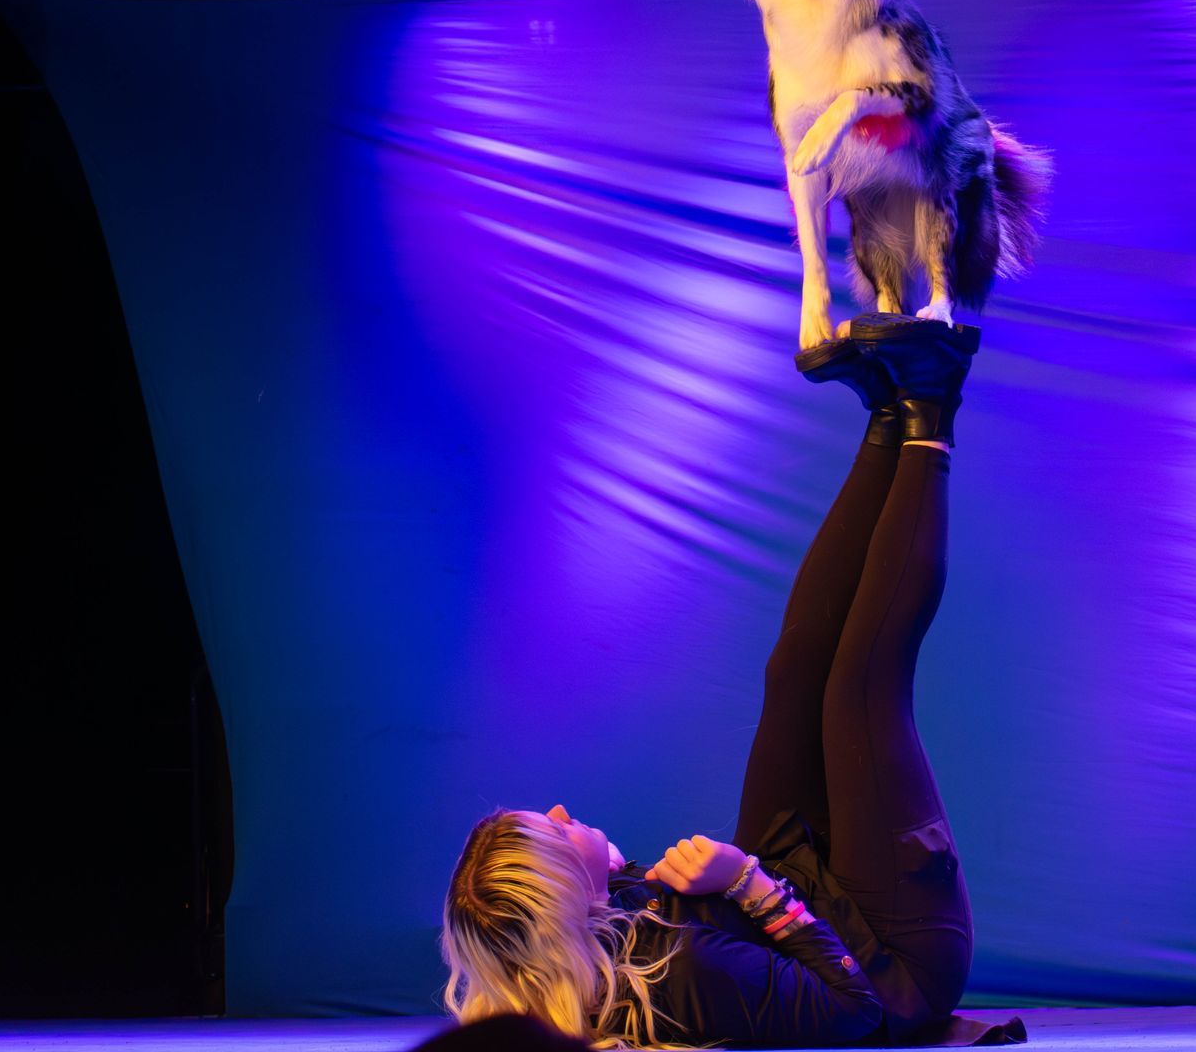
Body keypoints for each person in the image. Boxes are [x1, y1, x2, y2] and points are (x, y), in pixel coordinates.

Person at [439, 314, 1024, 1049]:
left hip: (796, 887)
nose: (560, 811)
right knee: (859, 689)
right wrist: (747, 881)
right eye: (554, 831)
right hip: (891, 958)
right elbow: (858, 1011)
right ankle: (932, 398)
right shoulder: (684, 974)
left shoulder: (608, 931)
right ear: (567, 894)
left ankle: (885, 413)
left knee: (795, 675)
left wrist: (631, 874)